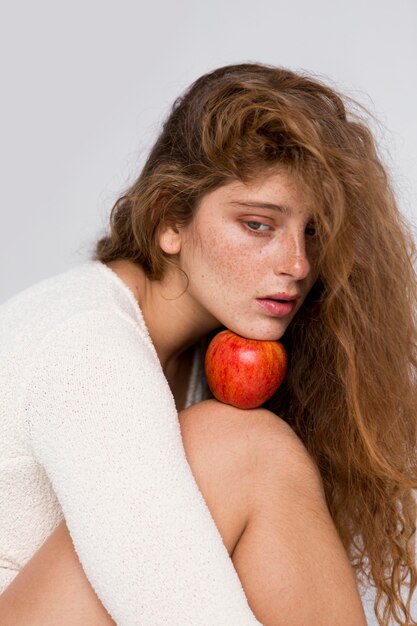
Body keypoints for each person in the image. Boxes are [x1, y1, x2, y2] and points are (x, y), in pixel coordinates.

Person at [0, 62, 416, 626]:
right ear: (170, 220)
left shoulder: (201, 355)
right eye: (258, 225)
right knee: (246, 448)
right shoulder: (88, 348)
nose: (297, 264)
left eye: (313, 233)